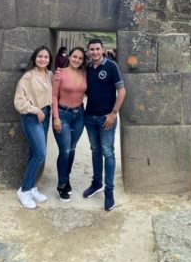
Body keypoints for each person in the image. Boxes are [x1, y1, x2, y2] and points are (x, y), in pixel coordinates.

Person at [82, 38, 126, 211]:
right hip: (90, 116)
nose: (94, 52)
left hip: (106, 118)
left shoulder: (111, 66)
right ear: (88, 51)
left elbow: (122, 91)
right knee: (95, 150)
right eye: (91, 49)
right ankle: (97, 183)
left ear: (103, 50)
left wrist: (114, 113)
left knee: (108, 152)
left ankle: (109, 190)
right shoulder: (87, 69)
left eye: (97, 49)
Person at [13, 46, 53, 209]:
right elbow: (19, 101)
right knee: (40, 154)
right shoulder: (27, 78)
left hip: (46, 113)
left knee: (34, 152)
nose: (43, 59)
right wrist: (35, 110)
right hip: (32, 117)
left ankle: (32, 187)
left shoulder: (50, 75)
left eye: (46, 57)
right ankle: (24, 190)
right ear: (34, 58)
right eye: (40, 57)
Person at [52, 47, 87, 202]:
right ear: (69, 57)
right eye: (74, 57)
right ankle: (61, 185)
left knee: (72, 150)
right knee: (65, 150)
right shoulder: (60, 73)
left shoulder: (84, 73)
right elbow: (53, 96)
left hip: (79, 115)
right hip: (63, 115)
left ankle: (66, 179)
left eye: (80, 58)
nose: (77, 60)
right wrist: (56, 117)